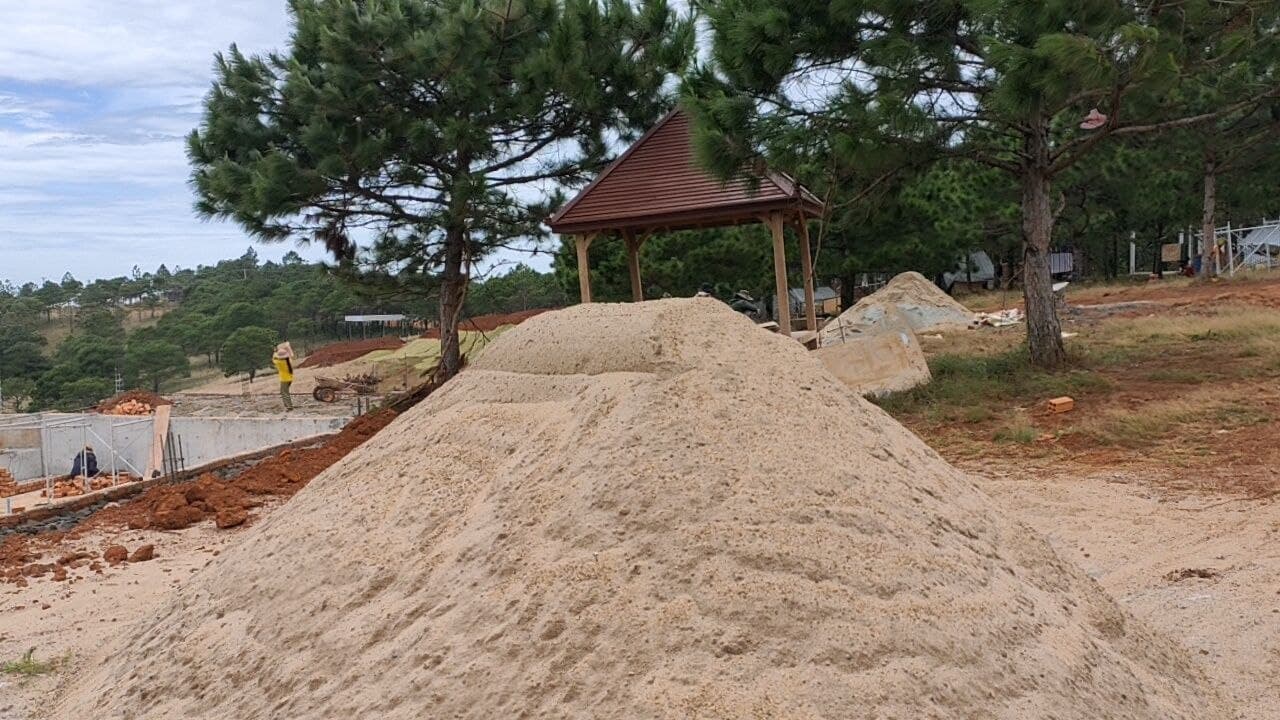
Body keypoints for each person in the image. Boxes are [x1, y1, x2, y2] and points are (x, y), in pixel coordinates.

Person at [272, 342, 295, 411]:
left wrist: (275, 351)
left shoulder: (279, 363)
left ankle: (289, 407)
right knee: (283, 391)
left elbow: (274, 357)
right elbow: (291, 354)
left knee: (285, 393)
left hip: (284, 379)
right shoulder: (289, 361)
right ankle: (287, 405)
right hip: (290, 378)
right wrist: (288, 348)